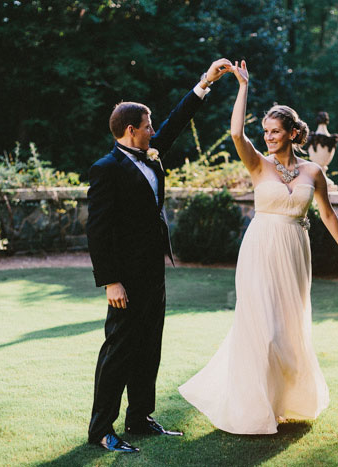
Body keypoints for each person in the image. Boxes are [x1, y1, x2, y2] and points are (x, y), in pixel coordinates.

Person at [179, 60, 338, 434]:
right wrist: (243, 86)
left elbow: (326, 214)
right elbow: (235, 134)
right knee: (265, 329)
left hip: (295, 252)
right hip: (260, 249)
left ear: (293, 133)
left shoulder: (313, 172)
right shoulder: (259, 165)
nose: (269, 137)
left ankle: (285, 403)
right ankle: (253, 405)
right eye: (266, 131)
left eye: (276, 131)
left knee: (290, 329)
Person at [86, 58, 233, 453]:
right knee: (119, 350)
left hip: (153, 271)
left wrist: (205, 83)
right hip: (126, 278)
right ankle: (101, 429)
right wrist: (111, 280)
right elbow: (97, 230)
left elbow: (175, 123)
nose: (154, 131)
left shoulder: (151, 152)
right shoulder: (106, 169)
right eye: (148, 126)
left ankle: (139, 418)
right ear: (131, 130)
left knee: (150, 345)